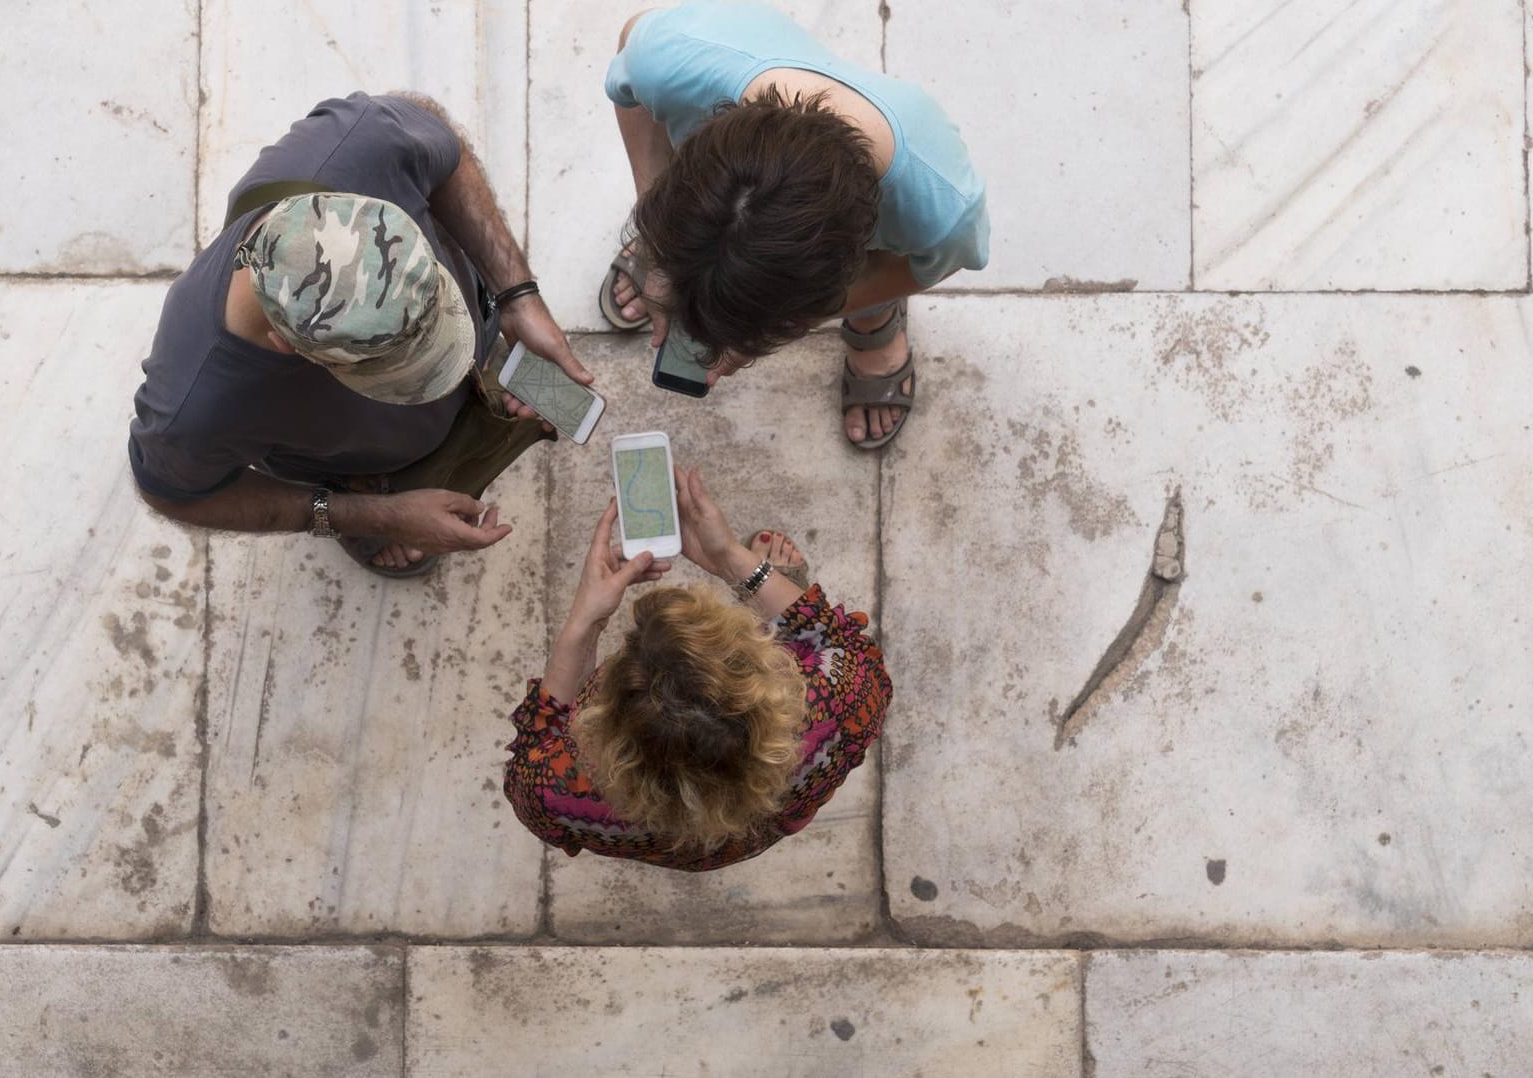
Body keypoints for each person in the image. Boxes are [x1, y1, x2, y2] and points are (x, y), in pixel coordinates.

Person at [129, 91, 590, 577]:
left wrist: (516, 294)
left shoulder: (361, 142)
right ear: (288, 345)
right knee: (380, 518)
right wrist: (366, 515)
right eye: (402, 372)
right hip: (367, 467)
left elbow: (441, 148)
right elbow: (173, 495)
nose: (452, 363)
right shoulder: (194, 410)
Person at [599, 1, 989, 450]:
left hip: (887, 215)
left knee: (878, 286)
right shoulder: (668, 56)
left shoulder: (941, 208)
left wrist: (799, 319)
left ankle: (874, 322)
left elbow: (924, 267)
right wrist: (658, 238)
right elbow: (630, 59)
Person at [504, 467, 891, 871]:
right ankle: (766, 608)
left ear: (611, 722)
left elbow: (536, 746)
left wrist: (587, 622)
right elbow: (841, 643)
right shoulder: (837, 708)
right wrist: (730, 559)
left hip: (657, 836)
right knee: (799, 642)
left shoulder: (558, 792)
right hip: (779, 801)